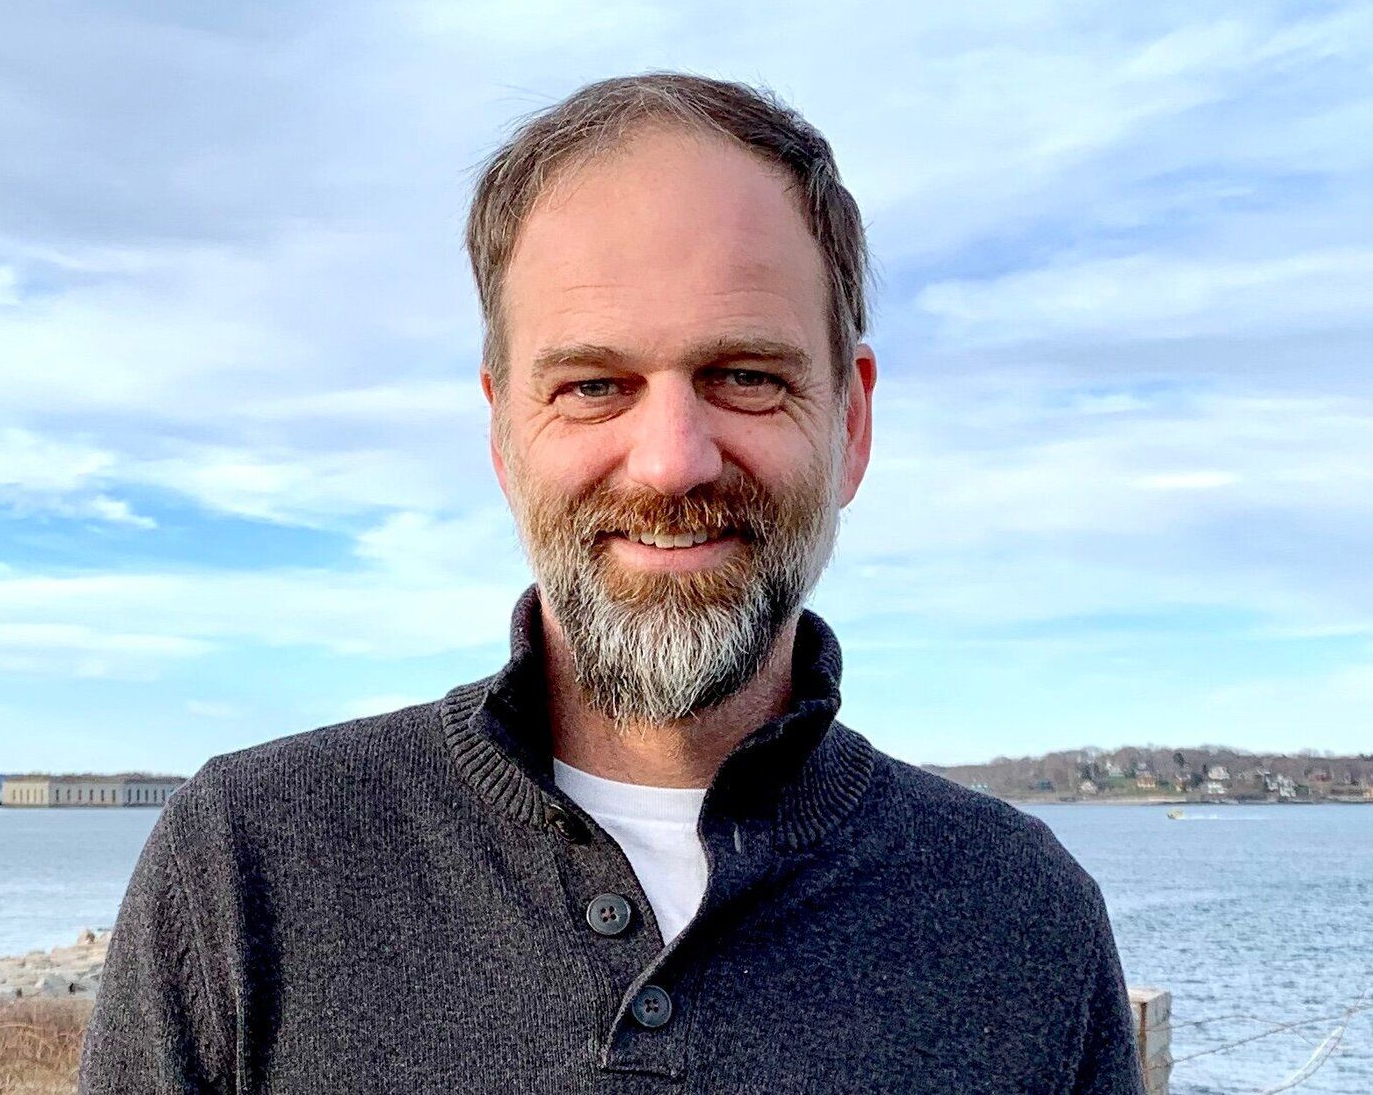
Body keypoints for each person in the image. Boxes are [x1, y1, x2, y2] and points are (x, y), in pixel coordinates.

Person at [80, 73, 1145, 1094]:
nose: (672, 458)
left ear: (851, 423)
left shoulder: (1022, 915)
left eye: (746, 377)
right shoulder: (245, 862)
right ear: (504, 431)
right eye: (595, 385)